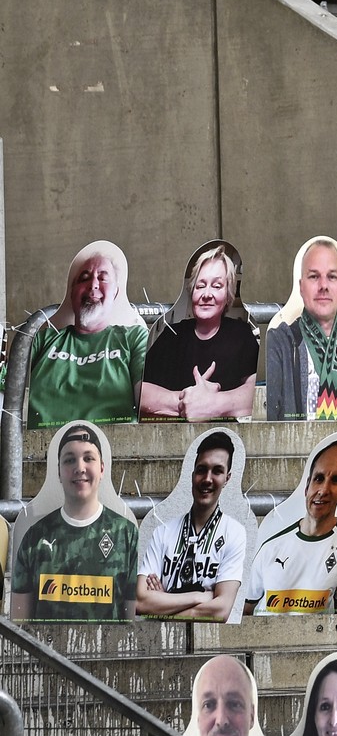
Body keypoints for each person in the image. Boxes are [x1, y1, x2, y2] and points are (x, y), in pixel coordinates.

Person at [9, 423, 137, 622]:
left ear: (102, 468)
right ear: (58, 472)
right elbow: (19, 627)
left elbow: (133, 626)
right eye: (69, 460)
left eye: (88, 458)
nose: (79, 468)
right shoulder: (34, 538)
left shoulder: (127, 535)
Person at [26, 240, 147, 429]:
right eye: (84, 278)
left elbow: (148, 401)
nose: (93, 285)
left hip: (114, 448)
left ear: (115, 293)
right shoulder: (41, 340)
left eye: (103, 277)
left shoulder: (134, 338)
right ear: (72, 293)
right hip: (36, 449)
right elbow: (7, 394)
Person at [244, 436, 337, 616]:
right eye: (319, 478)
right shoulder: (270, 546)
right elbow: (245, 614)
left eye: (336, 480)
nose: (323, 490)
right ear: (307, 485)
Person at [140, 241, 259, 422]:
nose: (207, 294)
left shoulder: (241, 334)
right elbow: (140, 391)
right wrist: (187, 401)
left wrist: (214, 404)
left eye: (217, 286)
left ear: (228, 294)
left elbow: (254, 392)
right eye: (201, 285)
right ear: (192, 292)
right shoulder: (172, 334)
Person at [136, 431, 246, 622]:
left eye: (217, 471)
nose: (207, 479)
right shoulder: (162, 533)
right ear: (193, 474)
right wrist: (202, 596)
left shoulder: (234, 533)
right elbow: (139, 602)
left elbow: (220, 611)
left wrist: (163, 605)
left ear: (227, 478)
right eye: (202, 469)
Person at [266, 237, 337, 421]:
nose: (323, 286)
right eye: (314, 276)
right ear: (301, 287)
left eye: (331, 276)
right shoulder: (280, 342)